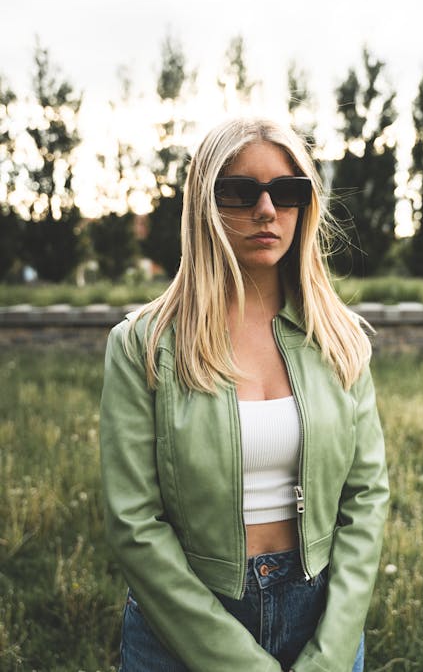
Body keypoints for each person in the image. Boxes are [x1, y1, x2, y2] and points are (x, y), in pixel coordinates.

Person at [100, 116, 390, 672]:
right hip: (183, 626)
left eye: (287, 192)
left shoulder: (340, 338)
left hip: (322, 619)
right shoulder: (144, 344)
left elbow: (367, 497)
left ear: (305, 205)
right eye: (240, 191)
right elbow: (134, 524)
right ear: (204, 202)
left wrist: (331, 654)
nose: (266, 210)